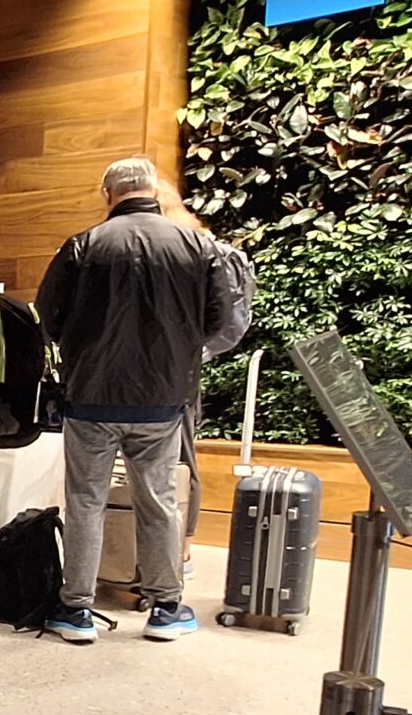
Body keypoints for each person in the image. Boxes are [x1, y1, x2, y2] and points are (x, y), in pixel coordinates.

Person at [35, 157, 229, 644]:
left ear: (107, 194)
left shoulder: (83, 245)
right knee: (159, 501)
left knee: (85, 501)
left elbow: (48, 314)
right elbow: (219, 318)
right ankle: (166, 605)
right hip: (162, 399)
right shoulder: (197, 245)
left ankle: (76, 609)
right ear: (154, 192)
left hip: (90, 397)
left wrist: (80, 348)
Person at [152, 178, 254, 556]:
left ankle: (184, 547)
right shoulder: (174, 250)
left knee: (180, 452)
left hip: (176, 370)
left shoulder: (208, 253)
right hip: (156, 368)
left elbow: (231, 323)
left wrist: (189, 354)